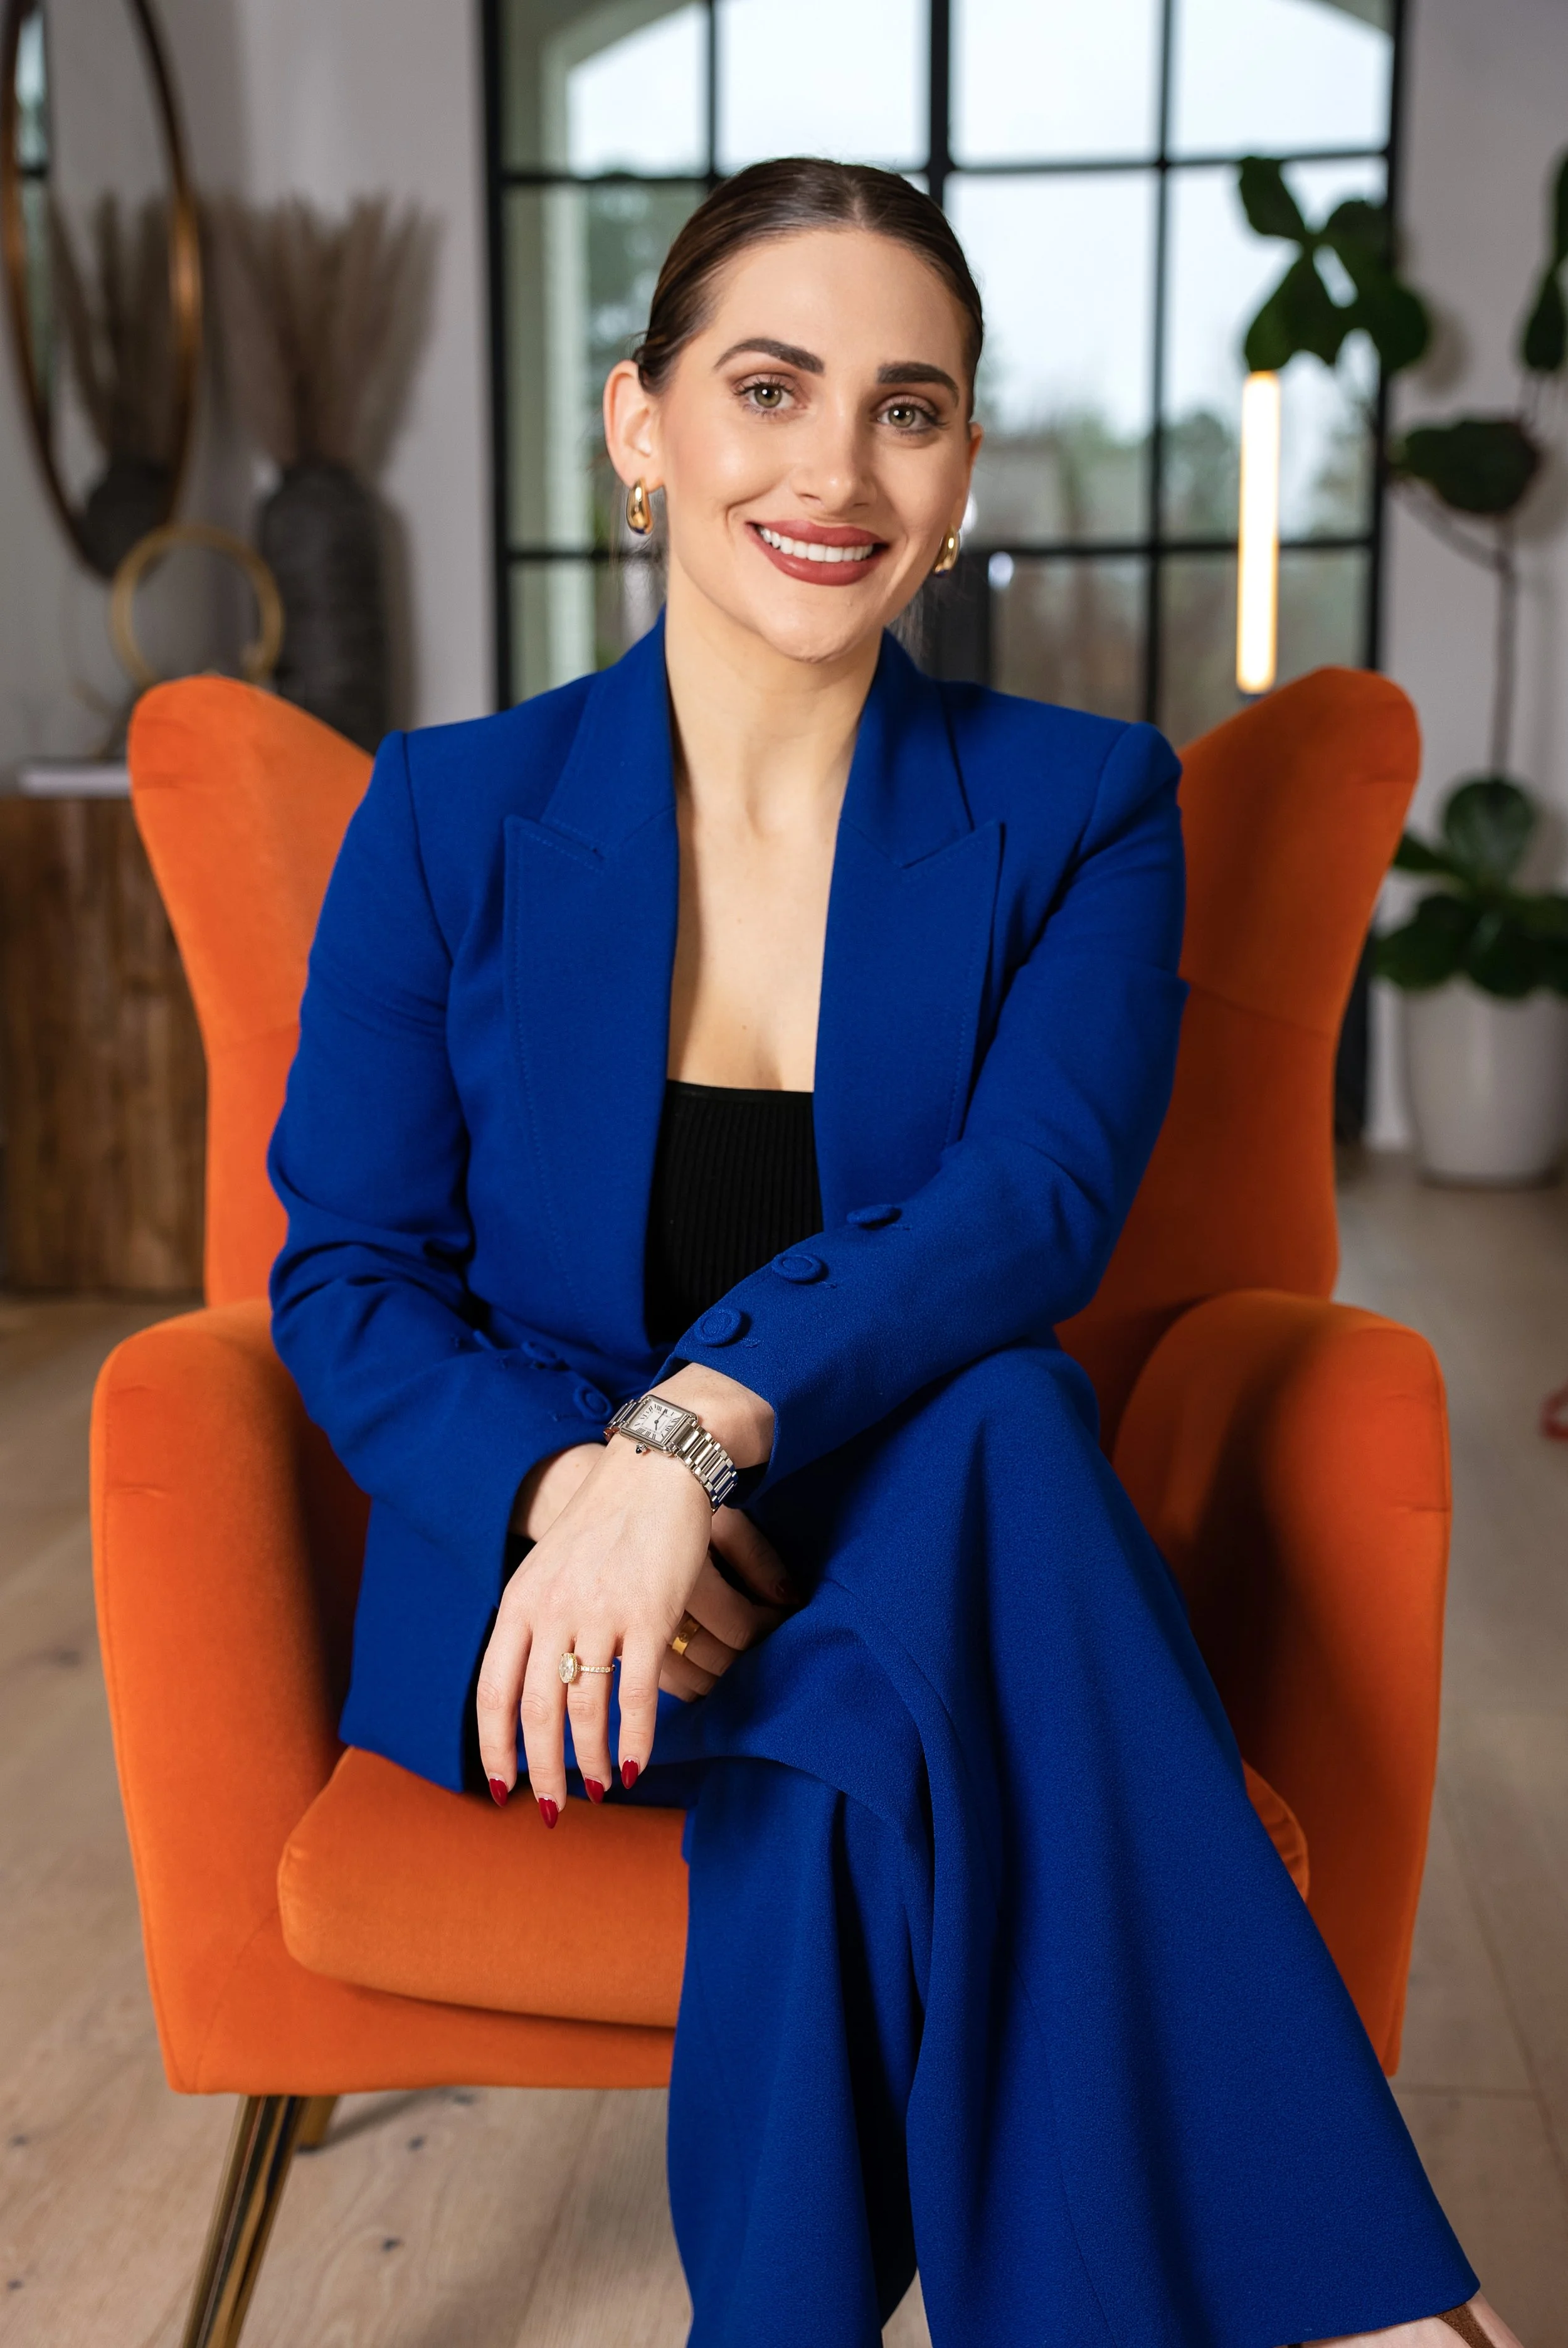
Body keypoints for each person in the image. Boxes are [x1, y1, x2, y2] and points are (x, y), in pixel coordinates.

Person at [269, 158, 1518, 2348]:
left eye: (906, 409)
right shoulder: (448, 813)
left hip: (911, 1542)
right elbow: (347, 1275)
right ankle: (1375, 2317)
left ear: (957, 468)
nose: (837, 470)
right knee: (1003, 1457)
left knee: (969, 1487)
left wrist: (686, 1437)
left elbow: (1031, 1202)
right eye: (769, 388)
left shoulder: (1082, 804)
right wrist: (578, 1494)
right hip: (584, 1616)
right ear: (640, 422)